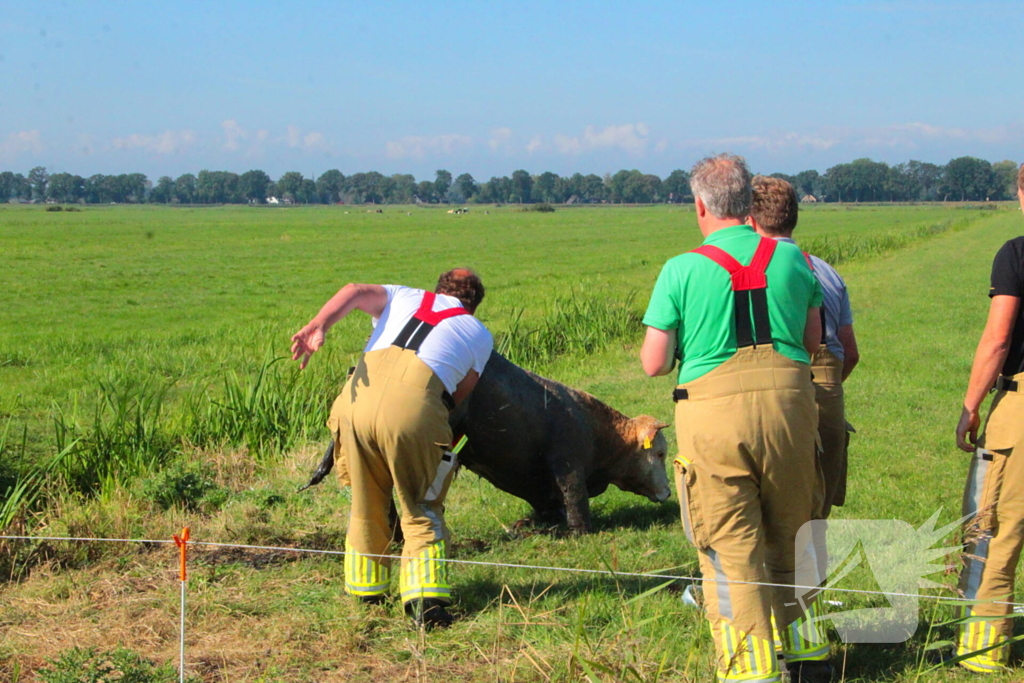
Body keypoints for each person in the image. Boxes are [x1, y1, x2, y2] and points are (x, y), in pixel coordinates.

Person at [641, 154, 832, 683]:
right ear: (748, 202)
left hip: (713, 419)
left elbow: (655, 362)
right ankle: (808, 657)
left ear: (700, 206)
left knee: (729, 546)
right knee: (794, 533)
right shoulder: (794, 259)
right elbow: (813, 341)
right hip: (790, 411)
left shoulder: (681, 269)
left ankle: (751, 668)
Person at [291, 268, 493, 629]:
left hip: (354, 404)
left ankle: (366, 592)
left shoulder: (404, 295)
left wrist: (319, 324)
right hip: (413, 410)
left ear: (438, 289)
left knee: (366, 500)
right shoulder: (478, 332)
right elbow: (464, 388)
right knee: (420, 505)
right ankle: (425, 605)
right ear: (473, 305)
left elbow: (354, 290)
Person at [749, 175, 860, 518]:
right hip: (828, 393)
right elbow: (850, 353)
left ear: (750, 220)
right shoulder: (828, 272)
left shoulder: (750, 271)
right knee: (815, 520)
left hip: (772, 395)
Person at [953, 164, 1024, 672]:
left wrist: (971, 406)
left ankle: (983, 649)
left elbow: (998, 340)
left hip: (1020, 405)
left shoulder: (1016, 254)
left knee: (995, 530)